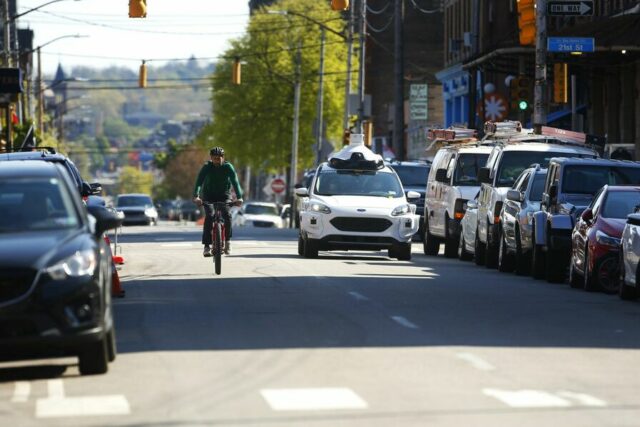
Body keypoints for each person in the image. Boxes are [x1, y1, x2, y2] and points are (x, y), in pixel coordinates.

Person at [192, 147, 243, 257]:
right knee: (209, 216)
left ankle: (228, 242)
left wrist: (239, 197)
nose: (217, 160)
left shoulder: (228, 167)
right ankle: (206, 246)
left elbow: (235, 182)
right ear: (211, 158)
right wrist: (196, 196)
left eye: (219, 158)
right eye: (215, 158)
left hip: (224, 195)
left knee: (227, 215)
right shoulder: (207, 167)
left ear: (223, 158)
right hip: (209, 195)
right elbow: (199, 182)